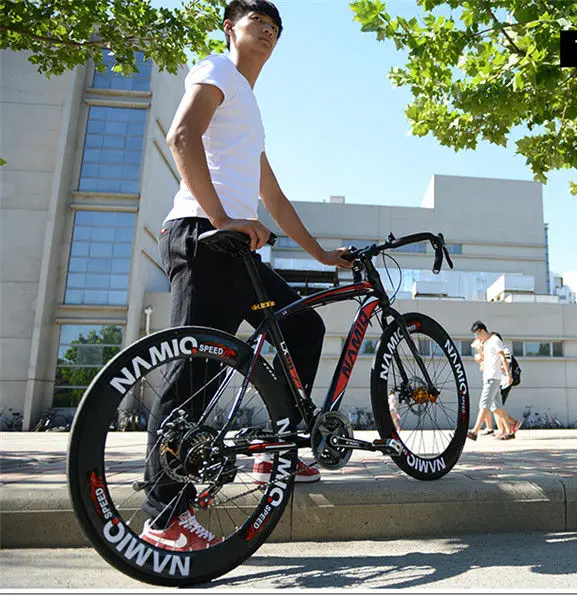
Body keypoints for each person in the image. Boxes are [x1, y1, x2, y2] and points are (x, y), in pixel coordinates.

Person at [140, 0, 352, 550]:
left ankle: (271, 449)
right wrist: (220, 218)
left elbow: (273, 197)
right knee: (194, 372)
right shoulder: (216, 70)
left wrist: (320, 254)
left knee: (302, 327)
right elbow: (182, 136)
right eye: (258, 23)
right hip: (203, 235)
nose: (268, 32)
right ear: (230, 28)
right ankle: (163, 514)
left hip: (234, 248)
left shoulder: (248, 106)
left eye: (275, 28)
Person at [466, 321, 520, 442]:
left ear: (483, 331)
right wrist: (479, 349)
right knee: (497, 407)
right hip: (488, 377)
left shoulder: (495, 340)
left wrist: (508, 375)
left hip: (493, 378)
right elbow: (484, 360)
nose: (477, 337)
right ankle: (510, 431)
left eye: (477, 334)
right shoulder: (486, 343)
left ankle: (475, 431)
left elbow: (502, 357)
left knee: (484, 404)